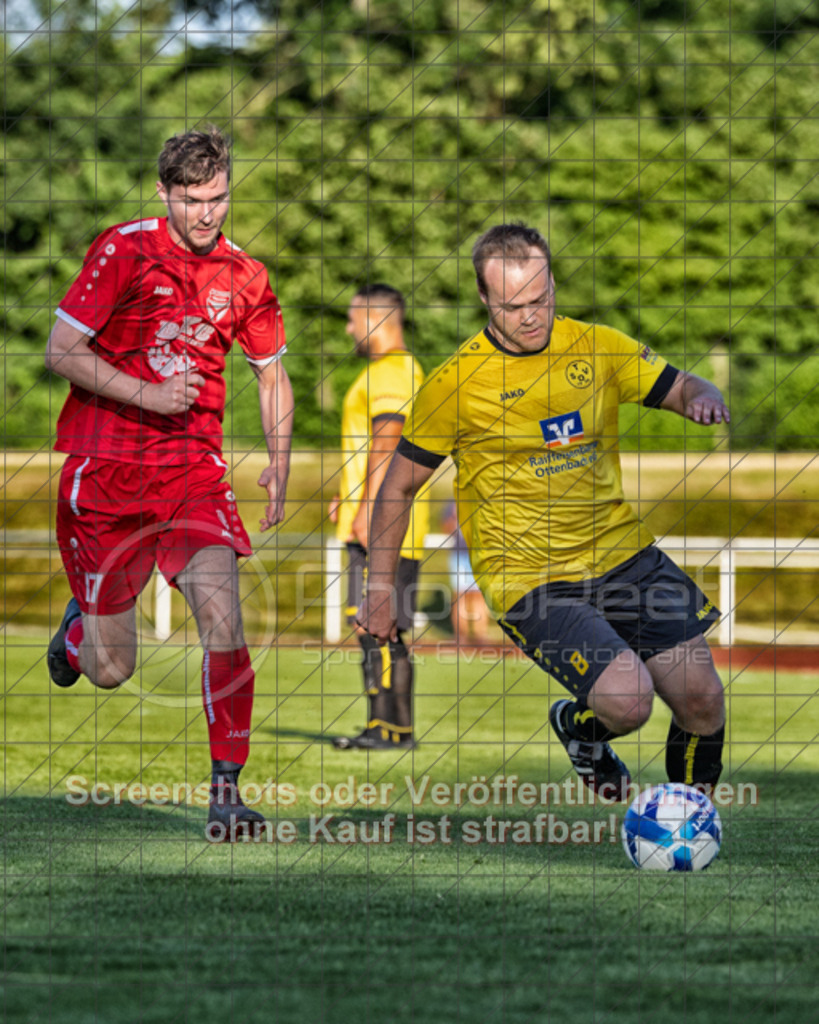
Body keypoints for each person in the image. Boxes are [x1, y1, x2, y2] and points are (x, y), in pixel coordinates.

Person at [357, 222, 729, 801]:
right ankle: (583, 731)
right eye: (513, 306)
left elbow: (680, 385)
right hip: (530, 578)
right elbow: (397, 488)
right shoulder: (454, 383)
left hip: (621, 553)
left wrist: (702, 396)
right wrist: (380, 586)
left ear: (553, 280)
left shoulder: (598, 346)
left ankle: (694, 825)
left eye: (541, 298)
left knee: (702, 697)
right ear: (483, 298)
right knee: (629, 701)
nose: (531, 315)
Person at [45, 126, 294, 839]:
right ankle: (75, 641)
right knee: (111, 668)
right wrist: (148, 396)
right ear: (164, 194)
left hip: (192, 472)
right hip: (107, 470)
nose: (206, 215)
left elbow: (271, 373)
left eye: (217, 198)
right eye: (190, 201)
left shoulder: (246, 275)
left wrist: (278, 456)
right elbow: (61, 351)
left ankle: (226, 792)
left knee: (224, 617)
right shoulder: (123, 248)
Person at [328, 284, 429, 750]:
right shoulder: (397, 370)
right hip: (382, 519)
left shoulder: (391, 372)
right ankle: (392, 729)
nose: (350, 328)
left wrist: (370, 510)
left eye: (354, 318)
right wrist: (347, 496)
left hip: (384, 525)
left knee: (375, 623)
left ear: (376, 318)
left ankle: (387, 731)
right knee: (381, 625)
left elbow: (388, 440)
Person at [442, 501, 491, 645]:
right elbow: (445, 528)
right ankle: (461, 635)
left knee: (479, 596)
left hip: (478, 555)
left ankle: (480, 634)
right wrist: (455, 519)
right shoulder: (452, 503)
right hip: (460, 555)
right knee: (460, 596)